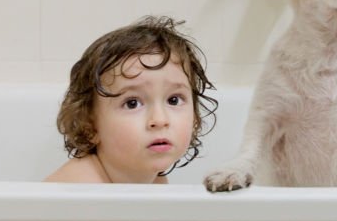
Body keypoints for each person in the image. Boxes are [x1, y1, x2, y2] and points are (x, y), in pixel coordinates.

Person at [45, 16, 216, 183]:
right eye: (132, 103)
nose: (159, 120)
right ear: (90, 127)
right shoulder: (81, 186)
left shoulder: (156, 179)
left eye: (174, 100)